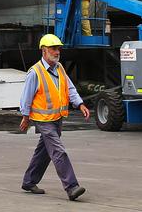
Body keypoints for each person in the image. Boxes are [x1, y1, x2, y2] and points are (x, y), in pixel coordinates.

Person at [19, 34, 89, 201]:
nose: (57, 52)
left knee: (44, 152)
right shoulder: (35, 72)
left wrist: (80, 104)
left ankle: (29, 181)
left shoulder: (60, 68)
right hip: (43, 121)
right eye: (53, 49)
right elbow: (26, 97)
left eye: (58, 49)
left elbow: (70, 88)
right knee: (58, 151)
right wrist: (25, 117)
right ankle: (71, 187)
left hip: (57, 118)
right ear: (44, 51)